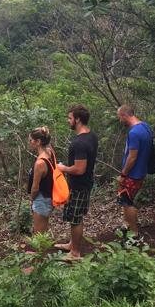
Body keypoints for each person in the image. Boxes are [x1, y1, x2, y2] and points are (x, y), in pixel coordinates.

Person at [56, 105, 99, 259]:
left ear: (78, 119)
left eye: (70, 118)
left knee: (76, 218)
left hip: (80, 186)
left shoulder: (80, 143)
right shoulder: (91, 135)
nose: (68, 121)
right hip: (83, 184)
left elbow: (79, 169)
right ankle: (72, 244)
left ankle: (75, 253)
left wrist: (62, 168)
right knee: (74, 216)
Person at [116, 105, 152, 238]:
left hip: (133, 174)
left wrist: (123, 174)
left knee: (126, 201)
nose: (120, 120)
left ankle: (134, 234)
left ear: (125, 115)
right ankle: (126, 225)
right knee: (126, 199)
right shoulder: (145, 127)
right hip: (141, 172)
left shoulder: (134, 133)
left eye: (120, 117)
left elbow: (132, 157)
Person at [27, 127, 55, 235]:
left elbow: (35, 187)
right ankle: (42, 251)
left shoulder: (40, 163)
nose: (29, 143)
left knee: (38, 234)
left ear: (38, 142)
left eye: (31, 140)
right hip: (48, 197)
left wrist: (32, 198)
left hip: (42, 199)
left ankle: (39, 252)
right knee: (42, 231)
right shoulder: (49, 152)